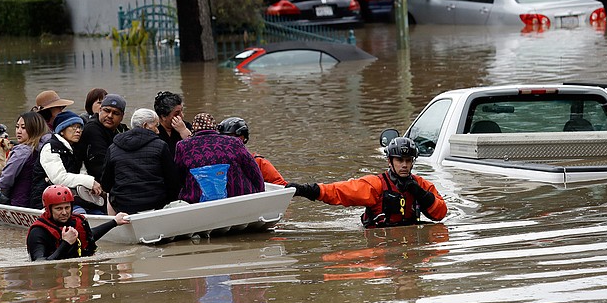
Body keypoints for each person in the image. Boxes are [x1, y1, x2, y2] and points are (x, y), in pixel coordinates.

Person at [286, 137, 447, 228]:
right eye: (399, 160)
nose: (404, 165)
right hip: (379, 241)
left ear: (413, 162)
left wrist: (419, 193)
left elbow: (440, 214)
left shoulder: (421, 185)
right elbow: (338, 192)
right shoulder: (375, 185)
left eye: (408, 161)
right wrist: (304, 190)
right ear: (390, 162)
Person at [100, 108, 180, 214]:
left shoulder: (113, 147)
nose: (158, 131)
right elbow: (173, 181)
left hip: (123, 206)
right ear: (145, 125)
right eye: (156, 126)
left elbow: (106, 184)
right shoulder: (160, 146)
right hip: (156, 203)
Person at [174, 113, 264, 204]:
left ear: (193, 129)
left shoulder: (182, 146)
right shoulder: (233, 142)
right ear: (214, 127)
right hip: (237, 196)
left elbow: (179, 176)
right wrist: (260, 192)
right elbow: (253, 171)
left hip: (197, 201)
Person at [26, 185, 130, 261]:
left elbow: (89, 236)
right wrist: (66, 243)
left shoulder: (78, 221)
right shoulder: (38, 231)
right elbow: (40, 265)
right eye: (58, 209)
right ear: (48, 209)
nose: (64, 212)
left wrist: (114, 222)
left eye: (67, 207)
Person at [29, 110, 104, 213]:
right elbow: (59, 178)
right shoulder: (50, 148)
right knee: (80, 213)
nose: (78, 130)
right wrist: (90, 182)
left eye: (79, 127)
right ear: (62, 130)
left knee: (100, 210)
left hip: (72, 198)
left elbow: (82, 171)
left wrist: (87, 187)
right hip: (48, 200)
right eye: (73, 127)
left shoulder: (76, 148)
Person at [0, 112, 50, 207]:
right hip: (40, 201)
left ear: (34, 129)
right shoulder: (47, 147)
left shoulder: (21, 151)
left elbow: (6, 180)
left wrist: (1, 193)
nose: (18, 131)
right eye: (17, 127)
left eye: (23, 128)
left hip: (19, 201)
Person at [75, 93, 129, 182]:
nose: (110, 116)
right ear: (100, 110)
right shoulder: (92, 129)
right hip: (98, 181)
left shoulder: (121, 129)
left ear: (122, 116)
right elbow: (99, 166)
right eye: (107, 111)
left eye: (116, 113)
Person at [217, 117, 286, 185]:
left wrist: (291, 188)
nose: (226, 141)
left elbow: (280, 184)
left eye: (230, 137)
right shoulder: (215, 162)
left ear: (243, 138)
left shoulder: (258, 162)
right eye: (223, 138)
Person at [153, 90, 192, 158]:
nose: (181, 116)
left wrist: (183, 131)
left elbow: (196, 149)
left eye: (181, 111)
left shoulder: (186, 126)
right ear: (163, 116)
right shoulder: (154, 131)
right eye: (176, 114)